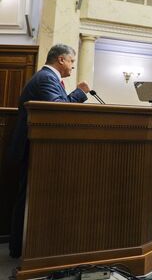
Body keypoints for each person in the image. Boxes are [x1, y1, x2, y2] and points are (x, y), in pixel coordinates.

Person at [8, 44, 91, 258]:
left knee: (29, 196)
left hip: (37, 147)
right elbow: (58, 111)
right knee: (28, 197)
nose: (73, 66)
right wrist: (80, 93)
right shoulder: (46, 78)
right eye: (72, 61)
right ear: (61, 60)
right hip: (34, 148)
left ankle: (23, 246)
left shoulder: (48, 78)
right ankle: (20, 247)